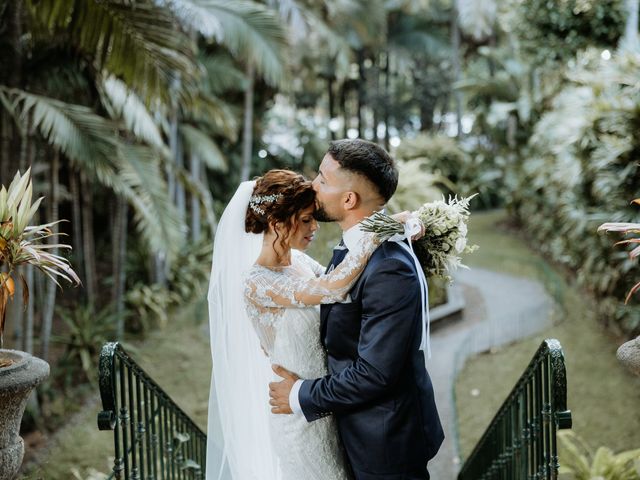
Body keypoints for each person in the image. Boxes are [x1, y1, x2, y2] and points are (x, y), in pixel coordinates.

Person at [207, 168, 415, 480]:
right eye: (305, 219)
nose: (315, 227)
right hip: (300, 420)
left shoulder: (301, 263)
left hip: (330, 403)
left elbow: (345, 285)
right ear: (277, 223)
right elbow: (332, 288)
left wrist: (399, 227)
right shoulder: (257, 282)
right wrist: (374, 233)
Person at [268, 139, 444, 480]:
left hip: (386, 443)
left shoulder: (389, 267)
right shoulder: (359, 244)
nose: (312, 186)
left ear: (349, 200)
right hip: (361, 431)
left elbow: (375, 373)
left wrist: (299, 394)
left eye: (322, 178)